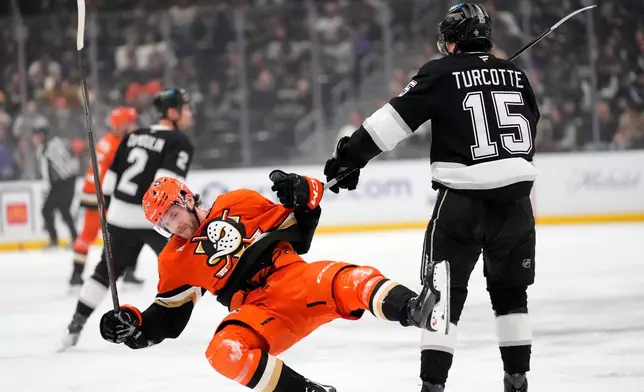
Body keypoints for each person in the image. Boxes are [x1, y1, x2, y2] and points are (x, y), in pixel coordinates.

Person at [323, 4, 539, 392]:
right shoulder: (517, 74)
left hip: (461, 205)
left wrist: (346, 159)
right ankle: (517, 381)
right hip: (517, 209)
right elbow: (531, 127)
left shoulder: (441, 73)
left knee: (442, 299)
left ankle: (433, 387)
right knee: (511, 296)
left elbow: (391, 122)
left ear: (454, 39)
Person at [97, 173, 448, 392]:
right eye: (165, 224)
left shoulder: (237, 202)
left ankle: (415, 310)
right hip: (259, 311)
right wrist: (131, 325)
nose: (174, 227)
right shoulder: (174, 260)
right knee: (223, 352)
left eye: (173, 215)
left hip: (294, 278)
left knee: (353, 280)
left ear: (186, 199)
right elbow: (166, 320)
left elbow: (300, 228)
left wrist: (302, 192)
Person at [59, 88, 195, 350]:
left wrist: (109, 215)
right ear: (173, 112)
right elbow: (165, 185)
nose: (190, 114)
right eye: (186, 109)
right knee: (187, 266)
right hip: (155, 219)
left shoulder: (134, 135)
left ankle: (74, 327)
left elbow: (108, 183)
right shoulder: (179, 141)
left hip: (119, 216)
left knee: (103, 273)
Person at [69, 106, 138, 287]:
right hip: (103, 195)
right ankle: (128, 272)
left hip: (91, 192)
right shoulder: (118, 144)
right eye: (129, 123)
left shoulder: (106, 140)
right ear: (120, 124)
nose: (133, 126)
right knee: (124, 233)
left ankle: (76, 274)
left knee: (88, 235)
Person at [32, 126, 80, 248]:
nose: (34, 139)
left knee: (52, 210)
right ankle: (71, 238)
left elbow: (66, 161)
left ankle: (60, 239)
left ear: (42, 135)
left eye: (36, 135)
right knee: (56, 211)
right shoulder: (43, 148)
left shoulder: (54, 145)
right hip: (57, 183)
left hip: (65, 181)